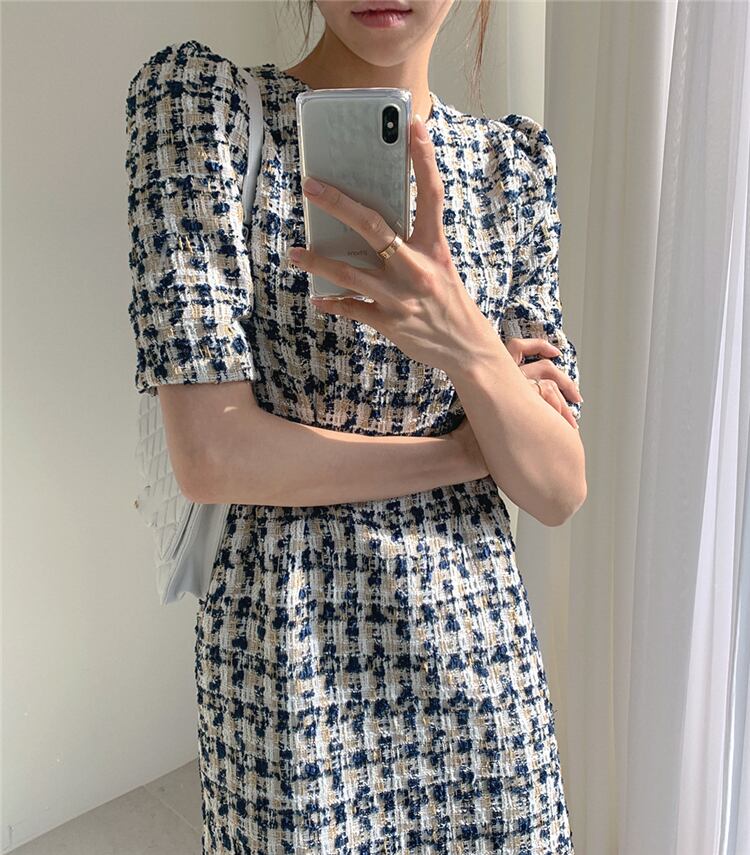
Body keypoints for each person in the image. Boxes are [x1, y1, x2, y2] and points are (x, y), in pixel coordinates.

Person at [125, 1, 586, 851]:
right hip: (290, 665)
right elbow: (214, 455)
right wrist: (466, 449)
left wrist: (462, 341)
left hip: (479, 664)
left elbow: (558, 486)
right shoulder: (206, 117)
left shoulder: (510, 169)